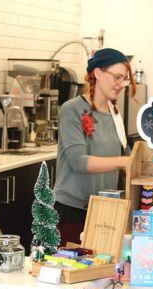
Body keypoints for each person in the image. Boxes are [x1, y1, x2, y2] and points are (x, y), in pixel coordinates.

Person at [53, 48, 135, 245]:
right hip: (71, 211)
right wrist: (123, 161)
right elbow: (78, 162)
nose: (121, 84)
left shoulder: (114, 113)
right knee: (71, 270)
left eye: (124, 79)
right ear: (97, 73)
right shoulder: (72, 110)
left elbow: (126, 156)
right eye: (117, 77)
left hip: (103, 211)